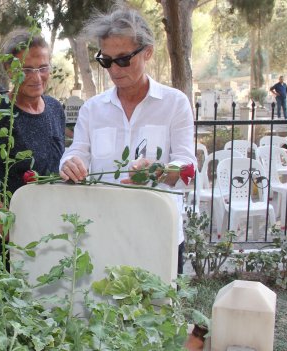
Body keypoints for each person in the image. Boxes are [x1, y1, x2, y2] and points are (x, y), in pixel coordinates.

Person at [58, 4, 195, 275]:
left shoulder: (174, 104)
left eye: (123, 59)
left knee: (159, 312)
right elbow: (77, 152)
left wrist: (160, 172)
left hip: (159, 232)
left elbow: (187, 167)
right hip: (103, 233)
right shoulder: (93, 109)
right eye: (105, 61)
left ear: (147, 53)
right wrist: (70, 164)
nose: (114, 69)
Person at [0, 29, 66, 257]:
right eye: (26, 69)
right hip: (10, 228)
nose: (37, 77)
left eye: (43, 68)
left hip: (52, 224)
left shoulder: (55, 109)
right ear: (10, 69)